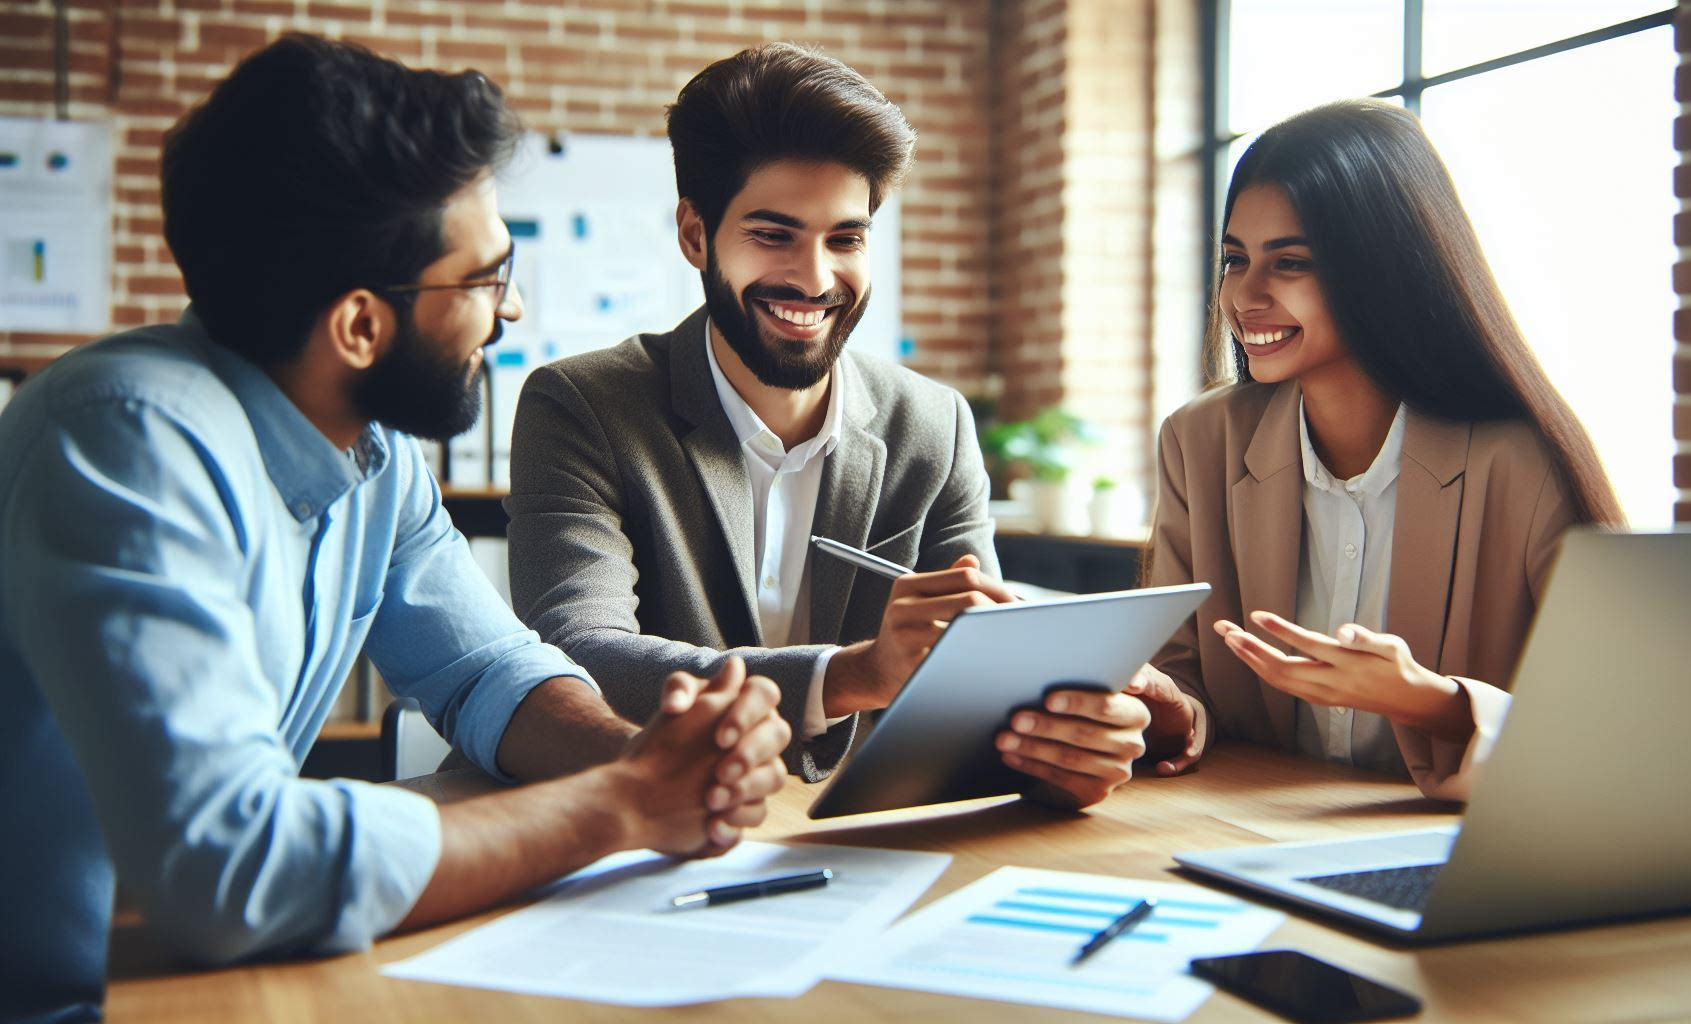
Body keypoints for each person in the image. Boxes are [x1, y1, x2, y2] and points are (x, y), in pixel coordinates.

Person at [0, 35, 790, 1024]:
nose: (508, 312)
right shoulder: (123, 440)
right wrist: (620, 806)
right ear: (361, 327)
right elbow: (230, 866)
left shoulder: (370, 450)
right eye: (484, 281)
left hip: (207, 982)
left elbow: (485, 673)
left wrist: (648, 756)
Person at [506, 43, 1148, 807]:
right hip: (656, 827)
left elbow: (971, 676)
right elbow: (578, 657)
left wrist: (1065, 746)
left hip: (859, 832)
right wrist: (850, 675)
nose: (814, 279)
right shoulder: (581, 405)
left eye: (845, 238)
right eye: (773, 234)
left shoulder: (932, 425)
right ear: (695, 236)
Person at [1125, 99, 1623, 801]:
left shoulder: (1519, 462)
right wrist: (1161, 705)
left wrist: (1429, 699)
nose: (1246, 296)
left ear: (1385, 269)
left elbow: (1619, 720)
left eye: (1290, 262)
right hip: (1246, 828)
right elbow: (1180, 675)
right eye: (1235, 260)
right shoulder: (1201, 440)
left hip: (1452, 848)